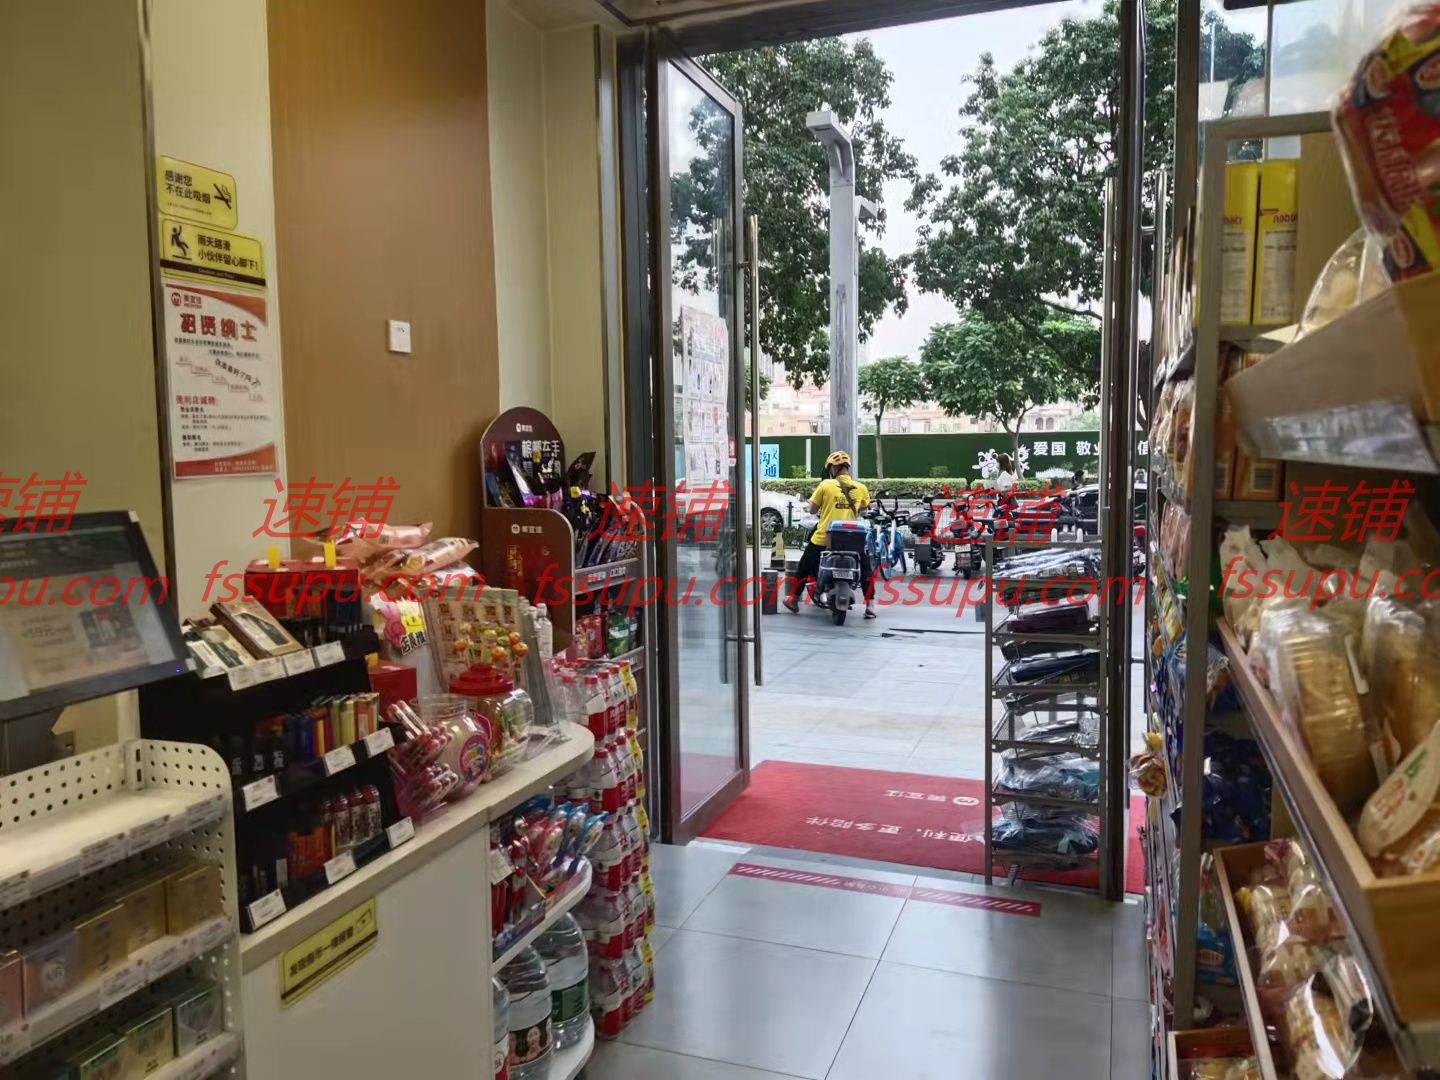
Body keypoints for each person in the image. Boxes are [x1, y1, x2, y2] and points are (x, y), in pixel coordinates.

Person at [785, 450, 876, 619]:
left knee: (804, 565)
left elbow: (813, 510)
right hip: (852, 539)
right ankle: (870, 605)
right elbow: (862, 509)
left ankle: (794, 599)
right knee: (865, 569)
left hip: (825, 538)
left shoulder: (825, 485)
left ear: (833, 468)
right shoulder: (861, 488)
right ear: (847, 467)